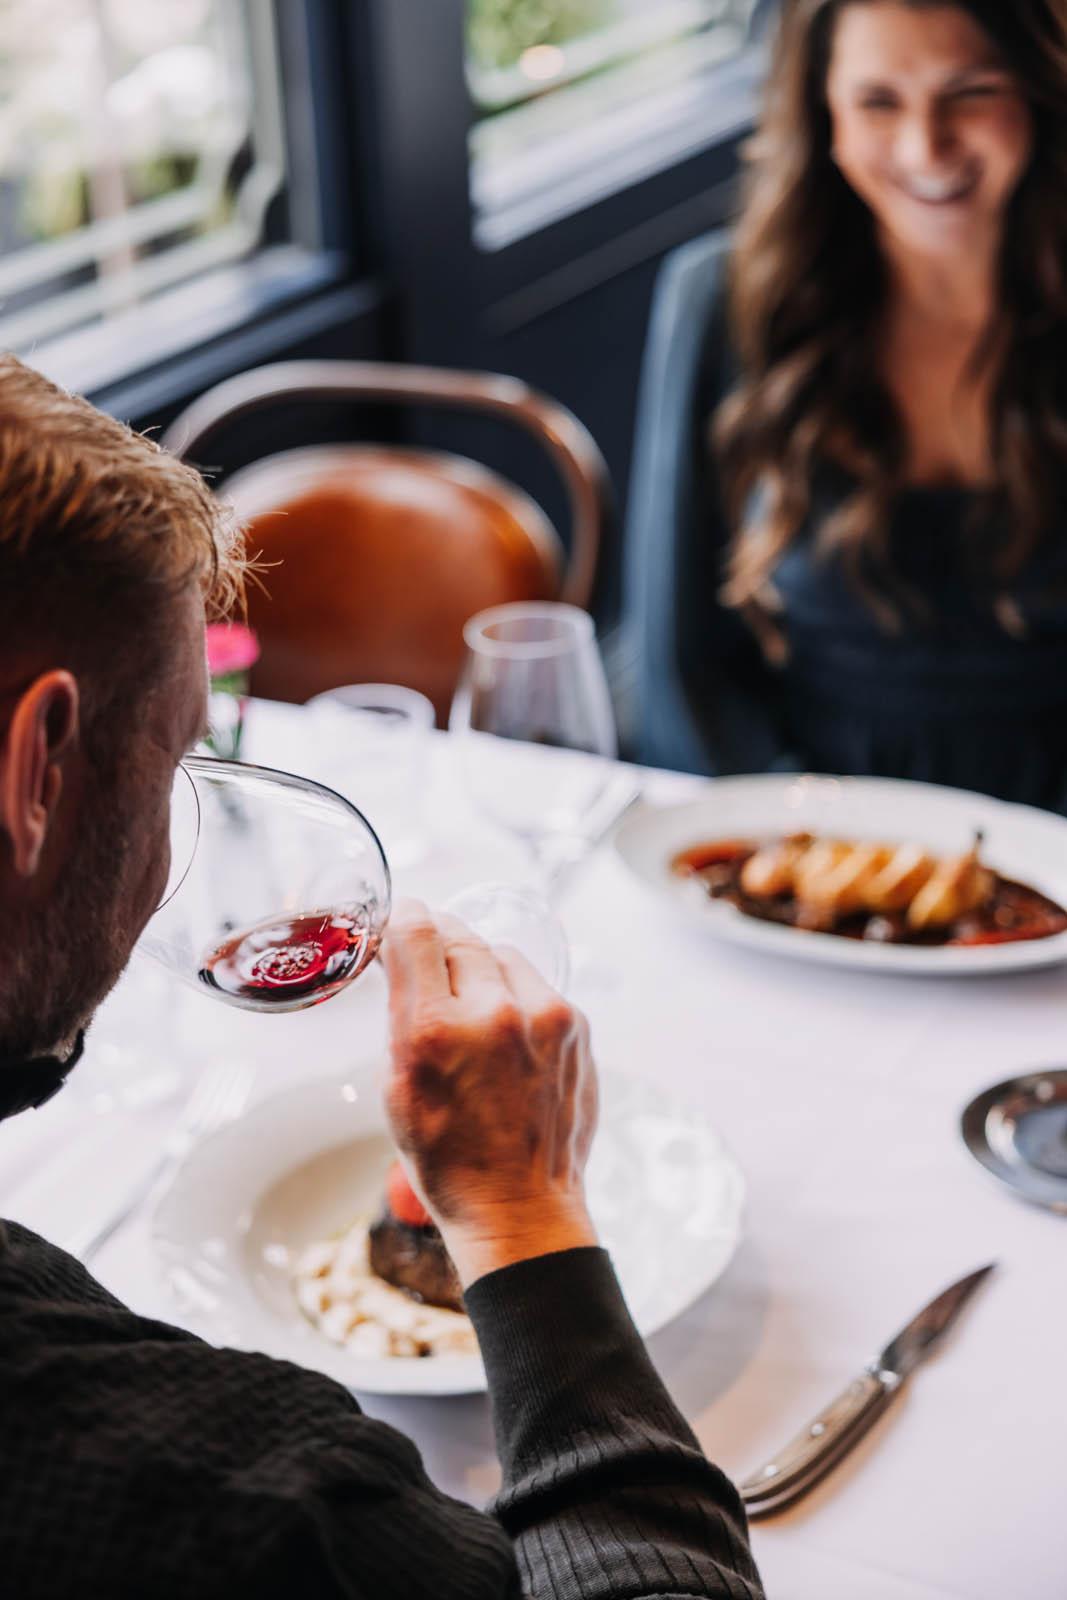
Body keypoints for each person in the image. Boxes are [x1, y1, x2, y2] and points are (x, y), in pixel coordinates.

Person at [0, 353, 763, 1600]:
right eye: (173, 762)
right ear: (37, 770)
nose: (178, 842)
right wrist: (523, 1212)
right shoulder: (235, 1500)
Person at [669, 0, 1067, 808]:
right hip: (796, 852)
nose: (926, 146)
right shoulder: (723, 302)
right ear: (821, 112)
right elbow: (685, 669)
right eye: (877, 101)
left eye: (971, 91)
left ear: (1037, 89)